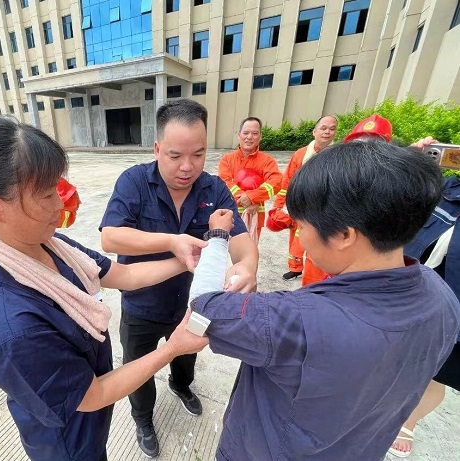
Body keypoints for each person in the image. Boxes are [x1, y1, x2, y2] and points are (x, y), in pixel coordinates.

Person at [0, 116, 209, 461]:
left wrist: (185, 257)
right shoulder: (14, 328)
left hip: (90, 422)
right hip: (68, 443)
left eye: (57, 188)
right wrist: (172, 348)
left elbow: (122, 275)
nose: (60, 204)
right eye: (45, 194)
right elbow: (94, 394)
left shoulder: (52, 246)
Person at [190, 141, 460, 461]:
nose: (300, 237)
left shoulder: (294, 321)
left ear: (344, 235)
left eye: (302, 226)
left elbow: (203, 306)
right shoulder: (441, 296)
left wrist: (219, 237)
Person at [99, 100, 259, 458]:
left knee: (186, 356)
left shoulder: (214, 189)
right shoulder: (135, 182)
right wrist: (172, 242)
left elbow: (242, 239)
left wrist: (247, 267)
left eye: (198, 155)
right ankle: (142, 418)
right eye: (175, 156)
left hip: (192, 302)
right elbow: (110, 236)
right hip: (143, 301)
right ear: (157, 149)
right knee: (137, 366)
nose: (187, 167)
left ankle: (181, 385)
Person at [387, 173, 460, 458]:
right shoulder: (446, 187)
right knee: (391, 354)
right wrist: (414, 159)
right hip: (413, 286)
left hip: (454, 305)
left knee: (438, 371)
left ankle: (408, 421)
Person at [300, 113, 395, 286]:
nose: (364, 154)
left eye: (374, 146)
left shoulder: (392, 184)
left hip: (361, 262)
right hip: (325, 242)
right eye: (358, 146)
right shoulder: (334, 171)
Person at [268, 115, 338, 281]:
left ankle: (320, 272)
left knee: (321, 241)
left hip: (325, 207)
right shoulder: (300, 154)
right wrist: (280, 206)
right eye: (323, 128)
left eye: (332, 128)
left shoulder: (338, 156)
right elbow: (287, 181)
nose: (327, 132)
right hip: (300, 204)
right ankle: (296, 267)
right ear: (314, 131)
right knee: (297, 238)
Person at [218, 117, 282, 242]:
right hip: (230, 214)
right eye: (246, 133)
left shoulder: (267, 161)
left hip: (255, 216)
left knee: (250, 253)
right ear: (239, 135)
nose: (249, 137)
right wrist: (246, 198)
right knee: (228, 253)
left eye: (254, 133)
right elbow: (224, 182)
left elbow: (277, 181)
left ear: (260, 136)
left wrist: (252, 197)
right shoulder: (227, 159)